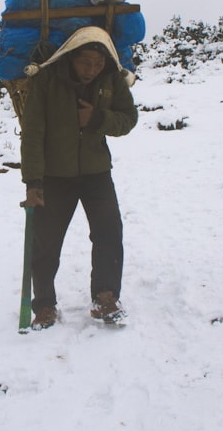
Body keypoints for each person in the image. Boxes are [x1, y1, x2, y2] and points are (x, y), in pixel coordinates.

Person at [20, 27, 138, 329]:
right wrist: (33, 183)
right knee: (45, 243)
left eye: (98, 64)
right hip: (54, 175)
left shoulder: (111, 78)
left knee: (109, 232)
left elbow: (128, 118)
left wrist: (97, 118)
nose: (91, 70)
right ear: (71, 56)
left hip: (97, 172)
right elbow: (33, 134)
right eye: (85, 62)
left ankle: (105, 296)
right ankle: (44, 306)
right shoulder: (46, 81)